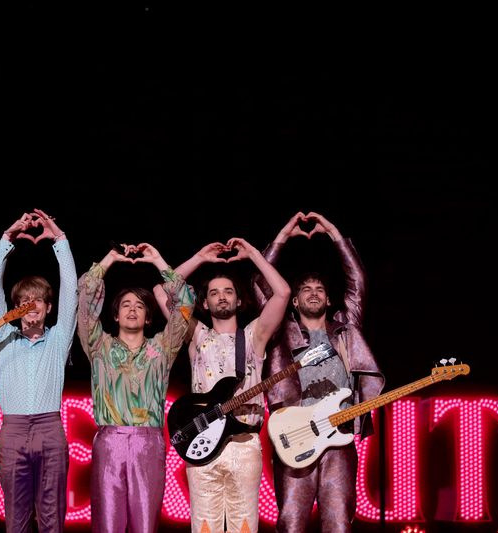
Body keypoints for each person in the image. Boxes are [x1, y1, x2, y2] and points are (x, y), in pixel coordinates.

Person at [255, 212, 385, 533]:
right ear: (295, 302)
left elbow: (358, 280)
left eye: (319, 288)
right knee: (290, 523)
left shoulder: (345, 328)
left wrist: (335, 235)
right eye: (305, 289)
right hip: (295, 437)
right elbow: (261, 286)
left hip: (338, 440)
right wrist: (283, 236)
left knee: (340, 523)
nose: (313, 291)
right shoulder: (281, 333)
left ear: (328, 300)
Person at [154, 238, 291, 533]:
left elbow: (283, 293)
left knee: (244, 527)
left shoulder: (254, 335)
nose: (222, 297)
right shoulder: (196, 335)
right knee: (204, 526)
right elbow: (161, 292)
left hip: (244, 444)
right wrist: (199, 257)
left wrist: (253, 254)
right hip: (202, 441)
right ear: (204, 303)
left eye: (228, 291)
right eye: (214, 293)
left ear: (239, 300)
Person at [77, 242, 195, 533]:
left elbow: (186, 303)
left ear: (148, 317)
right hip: (109, 441)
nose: (132, 310)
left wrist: (157, 260)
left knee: (145, 526)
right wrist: (110, 259)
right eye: (126, 305)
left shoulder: (161, 348)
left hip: (148, 443)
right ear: (115, 315)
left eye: (140, 305)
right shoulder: (98, 345)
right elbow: (85, 295)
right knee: (107, 525)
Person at [0, 209, 77, 533]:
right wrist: (6, 239)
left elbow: (70, 287)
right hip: (12, 432)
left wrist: (60, 240)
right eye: (24, 299)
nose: (32, 304)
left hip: (50, 430)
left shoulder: (58, 339)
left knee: (52, 520)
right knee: (16, 520)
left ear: (48, 307)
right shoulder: (3, 338)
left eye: (38, 299)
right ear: (15, 308)